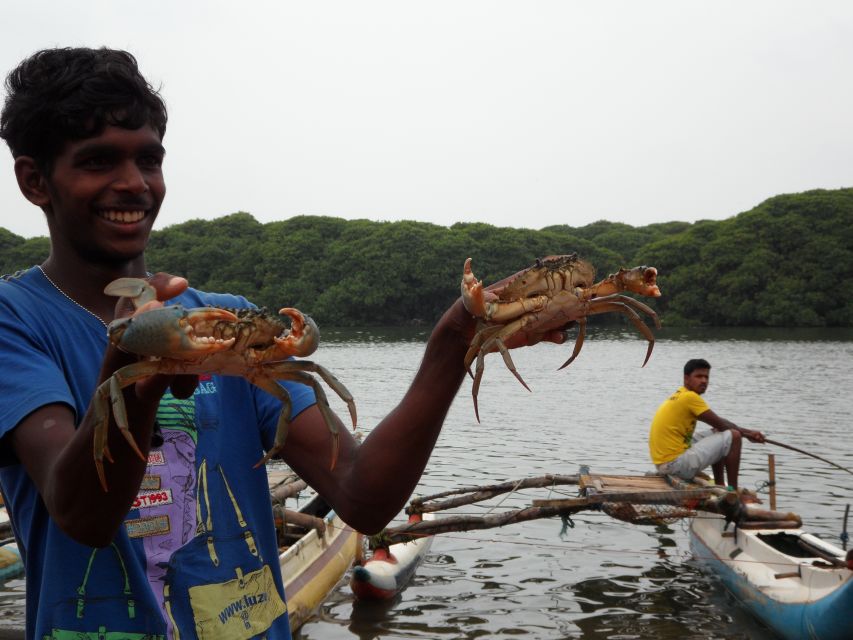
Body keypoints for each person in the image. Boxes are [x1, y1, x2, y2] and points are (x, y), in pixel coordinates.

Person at [0, 47, 564, 639]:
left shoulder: (232, 321)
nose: (134, 183)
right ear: (36, 180)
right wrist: (139, 368)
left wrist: (456, 337)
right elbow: (80, 514)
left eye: (149, 159)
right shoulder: (15, 321)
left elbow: (364, 498)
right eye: (97, 161)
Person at [648, 358, 765, 489]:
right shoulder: (690, 397)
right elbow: (723, 425)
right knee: (734, 436)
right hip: (674, 465)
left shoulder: (682, 395)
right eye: (699, 376)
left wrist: (749, 432)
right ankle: (733, 492)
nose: (704, 381)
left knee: (720, 433)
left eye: (706, 377)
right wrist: (748, 435)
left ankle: (720, 485)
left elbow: (720, 423)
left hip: (665, 464)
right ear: (686, 378)